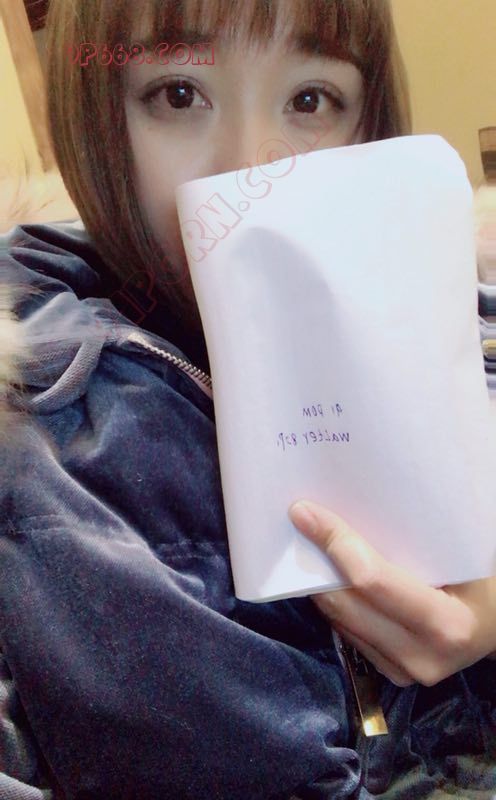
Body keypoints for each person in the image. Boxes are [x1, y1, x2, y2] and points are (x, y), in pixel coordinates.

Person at [1, 1, 495, 797]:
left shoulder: (462, 332)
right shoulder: (44, 442)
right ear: (95, 118)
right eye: (178, 95)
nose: (247, 171)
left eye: (310, 100)